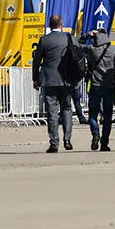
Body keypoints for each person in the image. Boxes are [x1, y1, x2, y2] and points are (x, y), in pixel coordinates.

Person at [32, 15, 74, 152]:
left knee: (52, 112)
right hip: (66, 80)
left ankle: (54, 143)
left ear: (50, 25)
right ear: (61, 24)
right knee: (67, 109)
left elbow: (37, 61)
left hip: (49, 80)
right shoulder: (68, 38)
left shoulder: (44, 40)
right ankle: (67, 139)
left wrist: (35, 78)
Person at [85, 27, 115, 151]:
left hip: (95, 85)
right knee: (107, 115)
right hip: (109, 86)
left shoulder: (91, 49)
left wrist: (87, 35)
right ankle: (104, 143)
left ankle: (95, 133)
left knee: (93, 114)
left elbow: (76, 45)